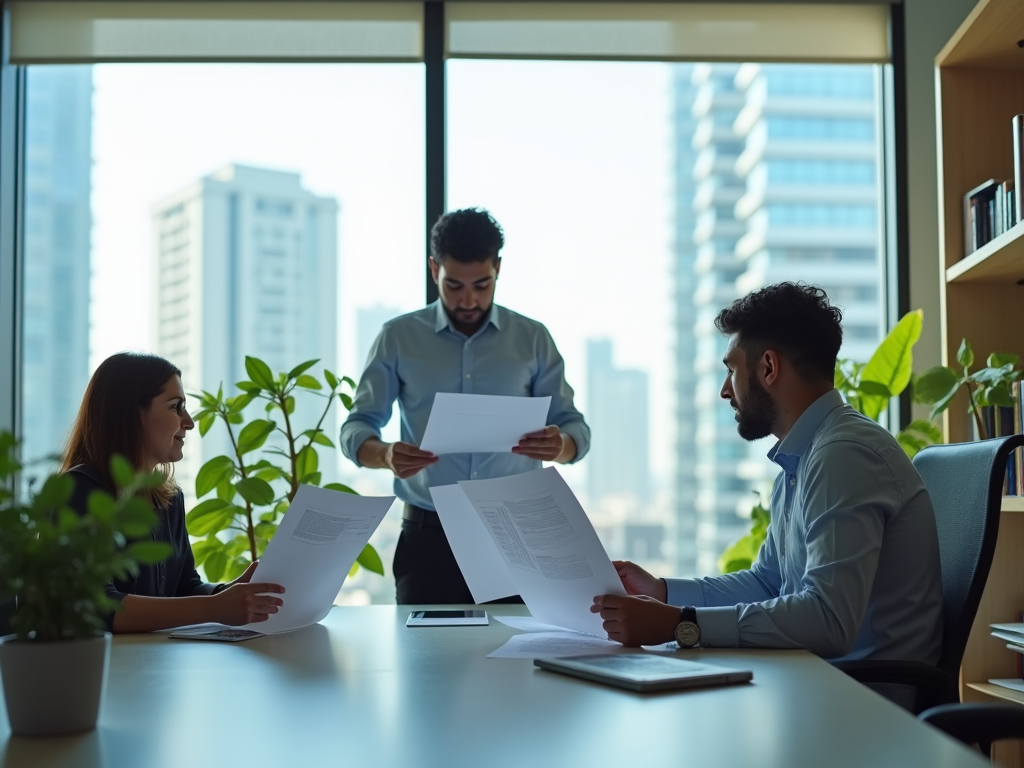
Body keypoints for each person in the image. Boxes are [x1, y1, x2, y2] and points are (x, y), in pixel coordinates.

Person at [592, 283, 943, 668]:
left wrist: (681, 624)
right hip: (817, 681)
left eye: (731, 370)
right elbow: (767, 583)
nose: (726, 390)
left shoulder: (843, 455)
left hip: (863, 701)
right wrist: (662, 592)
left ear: (769, 367)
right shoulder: (804, 457)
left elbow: (829, 620)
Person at [340, 208, 591, 604]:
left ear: (498, 269)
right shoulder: (398, 336)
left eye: (482, 284)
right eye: (454, 285)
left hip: (517, 536)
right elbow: (356, 428)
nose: (469, 299)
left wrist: (561, 446)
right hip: (428, 539)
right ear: (433, 268)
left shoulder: (533, 338)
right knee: (424, 660)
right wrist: (386, 454)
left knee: (519, 661)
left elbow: (575, 427)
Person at [62, 352, 286, 633]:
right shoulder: (79, 490)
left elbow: (183, 587)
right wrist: (215, 608)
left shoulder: (168, 499)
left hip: (154, 663)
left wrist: (230, 592)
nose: (189, 422)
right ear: (131, 413)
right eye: (176, 407)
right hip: (103, 671)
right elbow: (97, 606)